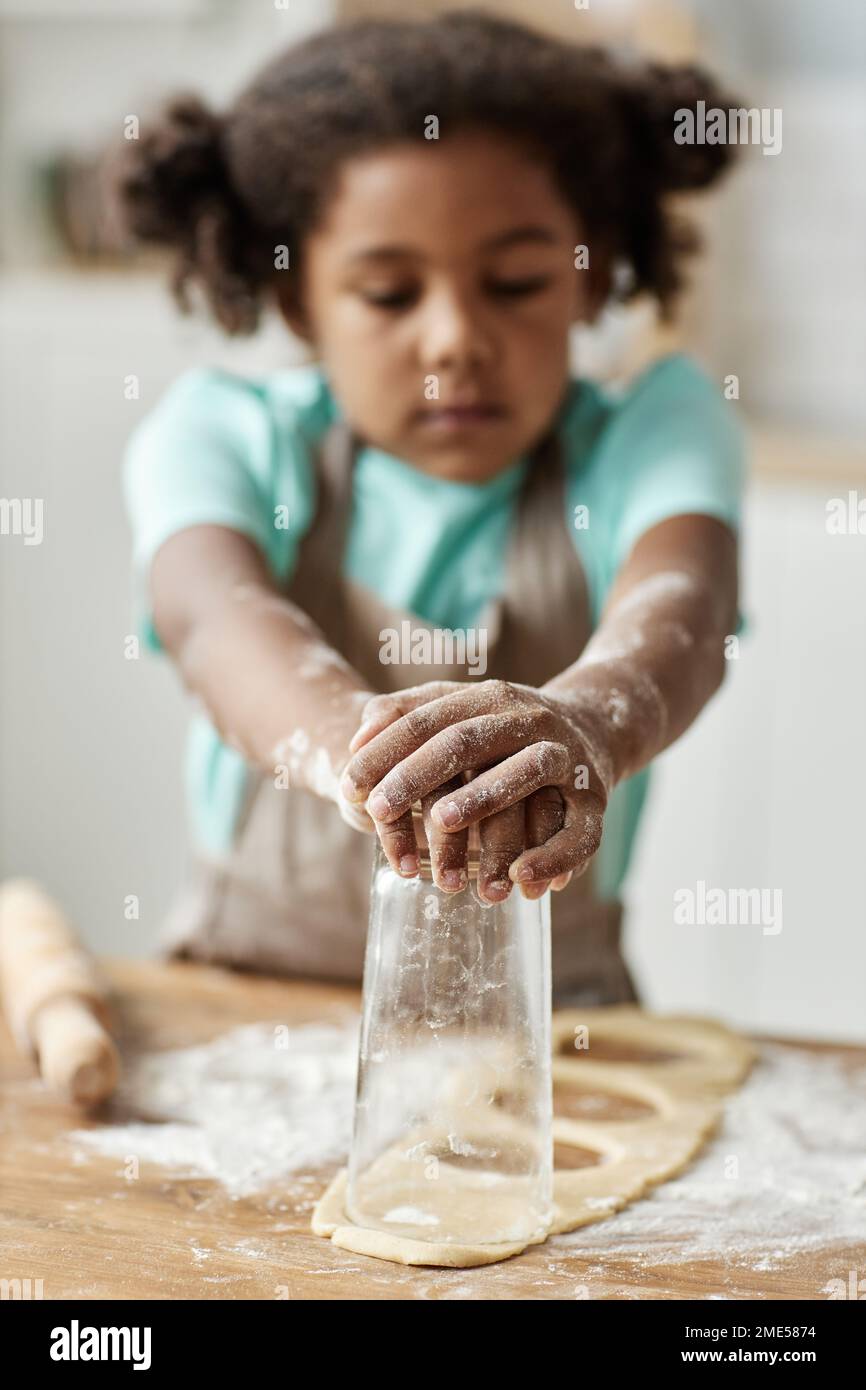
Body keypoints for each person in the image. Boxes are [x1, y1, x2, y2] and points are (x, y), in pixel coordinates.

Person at [117, 10, 745, 1005]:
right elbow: (212, 617)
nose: (453, 338)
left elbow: (686, 614)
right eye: (387, 293)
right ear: (296, 302)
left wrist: (586, 721)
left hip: (564, 1023)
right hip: (252, 1002)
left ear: (590, 279)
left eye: (515, 282)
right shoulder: (227, 433)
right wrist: (361, 760)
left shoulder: (650, 431)